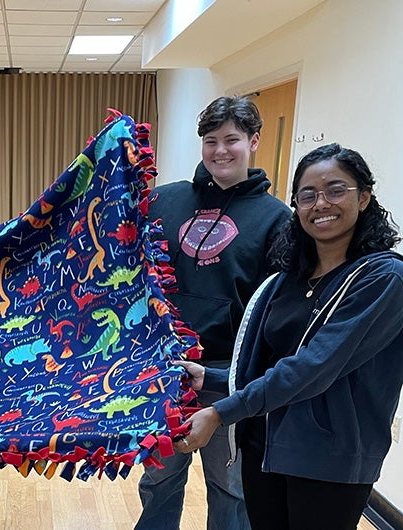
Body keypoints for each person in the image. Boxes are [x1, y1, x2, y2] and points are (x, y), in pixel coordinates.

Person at [174, 143, 403, 530]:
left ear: (363, 197)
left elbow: (313, 367)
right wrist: (211, 377)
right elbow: (269, 361)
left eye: (336, 190)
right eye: (307, 195)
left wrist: (220, 411)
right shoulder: (285, 281)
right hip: (264, 446)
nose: (321, 204)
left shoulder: (383, 280)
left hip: (329, 460)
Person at [135, 96, 291, 530]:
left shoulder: (277, 218)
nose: (220, 150)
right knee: (158, 478)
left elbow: (274, 306)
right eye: (210, 140)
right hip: (162, 368)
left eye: (232, 140)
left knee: (230, 486)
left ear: (253, 141)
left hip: (227, 373)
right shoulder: (163, 201)